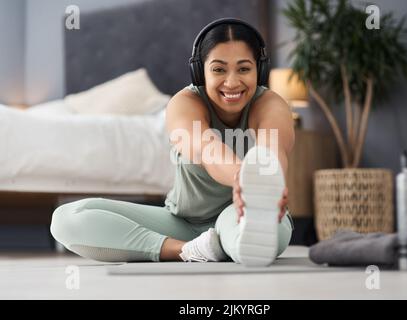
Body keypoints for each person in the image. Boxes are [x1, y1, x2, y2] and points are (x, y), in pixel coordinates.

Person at [50, 18, 295, 266]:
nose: (232, 82)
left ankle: (233, 242)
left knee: (243, 235)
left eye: (243, 69)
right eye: (219, 69)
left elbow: (272, 152)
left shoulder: (270, 104)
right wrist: (244, 181)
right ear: (200, 71)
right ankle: (189, 250)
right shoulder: (184, 103)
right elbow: (206, 149)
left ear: (259, 70)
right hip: (182, 224)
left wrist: (266, 182)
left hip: (240, 213)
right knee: (66, 218)